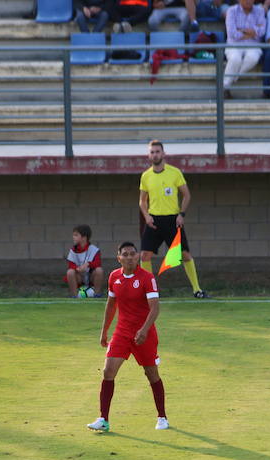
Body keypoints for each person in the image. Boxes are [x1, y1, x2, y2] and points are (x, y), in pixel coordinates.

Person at [86, 241, 168, 432]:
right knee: (108, 371)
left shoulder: (147, 278)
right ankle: (103, 419)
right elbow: (111, 305)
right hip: (122, 333)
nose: (130, 257)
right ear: (119, 258)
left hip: (144, 335)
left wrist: (144, 330)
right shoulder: (114, 276)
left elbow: (155, 308)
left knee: (151, 374)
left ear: (137, 256)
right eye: (125, 254)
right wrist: (104, 331)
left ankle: (162, 417)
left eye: (133, 254)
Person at [138, 139, 208, 298]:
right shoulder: (146, 176)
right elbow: (142, 201)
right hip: (154, 221)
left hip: (172, 221)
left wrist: (181, 214)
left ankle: (197, 290)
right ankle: (149, 291)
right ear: (149, 155)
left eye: (157, 151)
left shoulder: (175, 172)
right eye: (152, 152)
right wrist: (147, 216)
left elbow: (187, 195)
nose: (155, 155)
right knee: (144, 255)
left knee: (185, 255)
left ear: (163, 154)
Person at [223, 0, 267, 98]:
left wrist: (241, 30)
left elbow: (262, 31)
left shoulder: (260, 11)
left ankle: (235, 77)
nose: (248, 1)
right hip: (234, 44)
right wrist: (252, 32)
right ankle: (224, 87)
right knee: (235, 59)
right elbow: (232, 33)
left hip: (253, 45)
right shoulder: (231, 10)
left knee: (253, 58)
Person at [65, 224, 105, 298]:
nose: (73, 237)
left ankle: (97, 294)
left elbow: (97, 263)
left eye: (76, 235)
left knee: (99, 270)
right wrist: (78, 269)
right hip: (79, 277)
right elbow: (71, 265)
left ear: (84, 237)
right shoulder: (73, 250)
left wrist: (88, 264)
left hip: (90, 276)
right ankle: (74, 296)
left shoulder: (94, 249)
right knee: (70, 272)